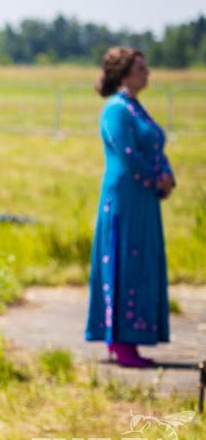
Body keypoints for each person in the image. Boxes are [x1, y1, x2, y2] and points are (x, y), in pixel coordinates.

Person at [85, 46, 175, 367]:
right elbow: (128, 155)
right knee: (125, 263)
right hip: (124, 199)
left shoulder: (136, 108)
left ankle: (133, 337)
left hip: (143, 199)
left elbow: (155, 147)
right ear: (124, 74)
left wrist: (167, 176)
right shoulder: (116, 109)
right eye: (140, 68)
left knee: (142, 264)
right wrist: (156, 177)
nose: (147, 72)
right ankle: (120, 339)